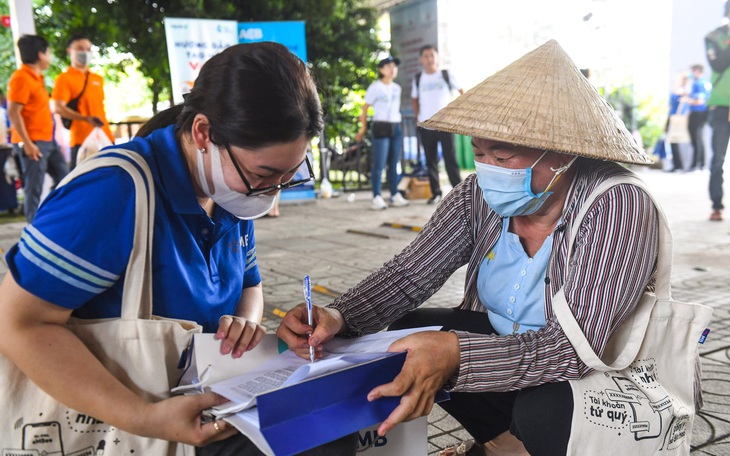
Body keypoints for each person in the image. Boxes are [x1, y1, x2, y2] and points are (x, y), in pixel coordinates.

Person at [278, 40, 660, 455]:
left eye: (504, 154)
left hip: (598, 369)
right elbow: (409, 275)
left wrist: (457, 354)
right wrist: (340, 316)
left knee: (541, 409)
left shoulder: (617, 203)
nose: (488, 168)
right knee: (416, 329)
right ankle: (504, 446)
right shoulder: (477, 196)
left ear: (564, 153)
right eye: (479, 152)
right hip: (514, 351)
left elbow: (576, 348)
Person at [0, 42, 356, 455]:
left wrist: (242, 321)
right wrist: (144, 417)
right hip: (127, 419)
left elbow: (248, 284)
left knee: (331, 422)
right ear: (203, 133)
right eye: (265, 175)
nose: (270, 196)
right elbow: (17, 324)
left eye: (289, 177)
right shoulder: (113, 193)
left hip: (205, 396)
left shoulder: (228, 193)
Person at [6, 34, 69, 223]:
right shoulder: (21, 78)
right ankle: (33, 229)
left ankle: (49, 217)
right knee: (33, 188)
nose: (49, 57)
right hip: (33, 142)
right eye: (48, 53)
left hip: (47, 140)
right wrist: (27, 144)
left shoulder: (36, 78)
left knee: (64, 178)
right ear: (41, 54)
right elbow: (13, 112)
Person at [411, 45, 465, 205]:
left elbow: (462, 91)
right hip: (426, 125)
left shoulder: (446, 75)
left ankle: (459, 193)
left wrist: (457, 113)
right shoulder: (418, 78)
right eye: (426, 56)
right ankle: (436, 192)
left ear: (437, 57)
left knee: (451, 159)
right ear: (421, 59)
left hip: (445, 125)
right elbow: (414, 99)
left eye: (432, 55)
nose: (429, 59)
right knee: (430, 160)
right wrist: (417, 117)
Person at [52, 33, 115, 170]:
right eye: (80, 48)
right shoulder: (64, 79)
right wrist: (85, 119)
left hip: (105, 137)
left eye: (88, 49)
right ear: (70, 51)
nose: (85, 52)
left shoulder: (97, 78)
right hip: (82, 141)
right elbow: (57, 107)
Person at [355, 56, 409, 210]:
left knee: (394, 163)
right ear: (381, 70)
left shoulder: (397, 88)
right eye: (389, 66)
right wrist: (363, 128)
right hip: (381, 126)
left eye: (394, 66)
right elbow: (365, 108)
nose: (393, 69)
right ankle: (377, 196)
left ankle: (394, 195)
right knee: (379, 163)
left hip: (396, 126)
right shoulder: (375, 87)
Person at [705, 1, 730, 221]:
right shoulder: (713, 37)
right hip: (721, 106)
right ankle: (716, 205)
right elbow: (719, 65)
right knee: (718, 159)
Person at [687, 64, 711, 171]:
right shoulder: (702, 82)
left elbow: (700, 100)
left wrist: (687, 100)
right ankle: (701, 164)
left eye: (692, 71)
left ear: (697, 71)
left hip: (698, 113)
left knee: (696, 138)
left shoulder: (700, 83)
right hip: (700, 113)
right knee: (698, 138)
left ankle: (696, 164)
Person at [667, 70, 690, 172]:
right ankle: (676, 164)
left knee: (677, 141)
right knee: (672, 141)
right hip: (673, 117)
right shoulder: (677, 90)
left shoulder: (684, 90)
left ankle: (679, 165)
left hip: (679, 118)